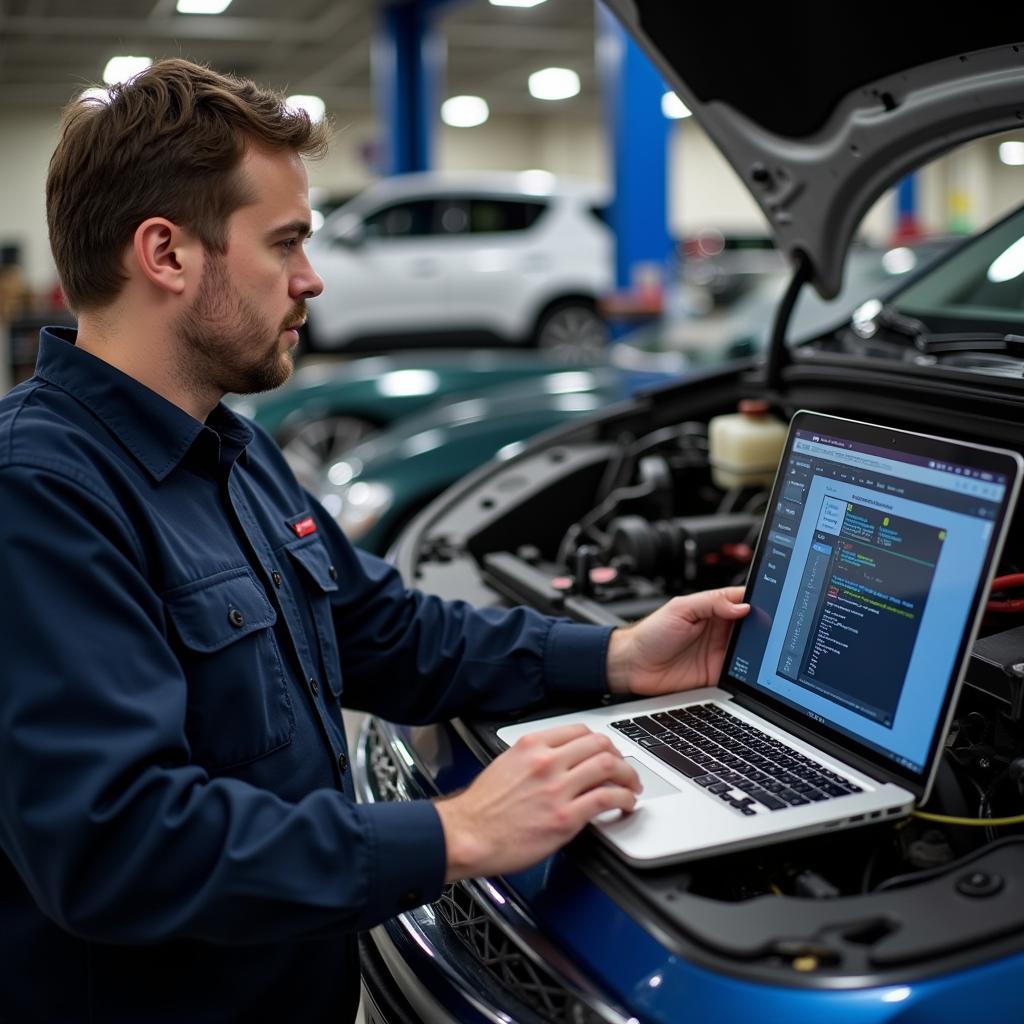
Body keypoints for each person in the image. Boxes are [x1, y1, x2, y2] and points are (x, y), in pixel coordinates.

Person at [0, 59, 750, 1022]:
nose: (312, 279)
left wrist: (614, 654)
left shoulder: (227, 444)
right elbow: (115, 845)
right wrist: (451, 834)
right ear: (167, 254)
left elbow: (379, 630)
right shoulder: (41, 494)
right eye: (285, 244)